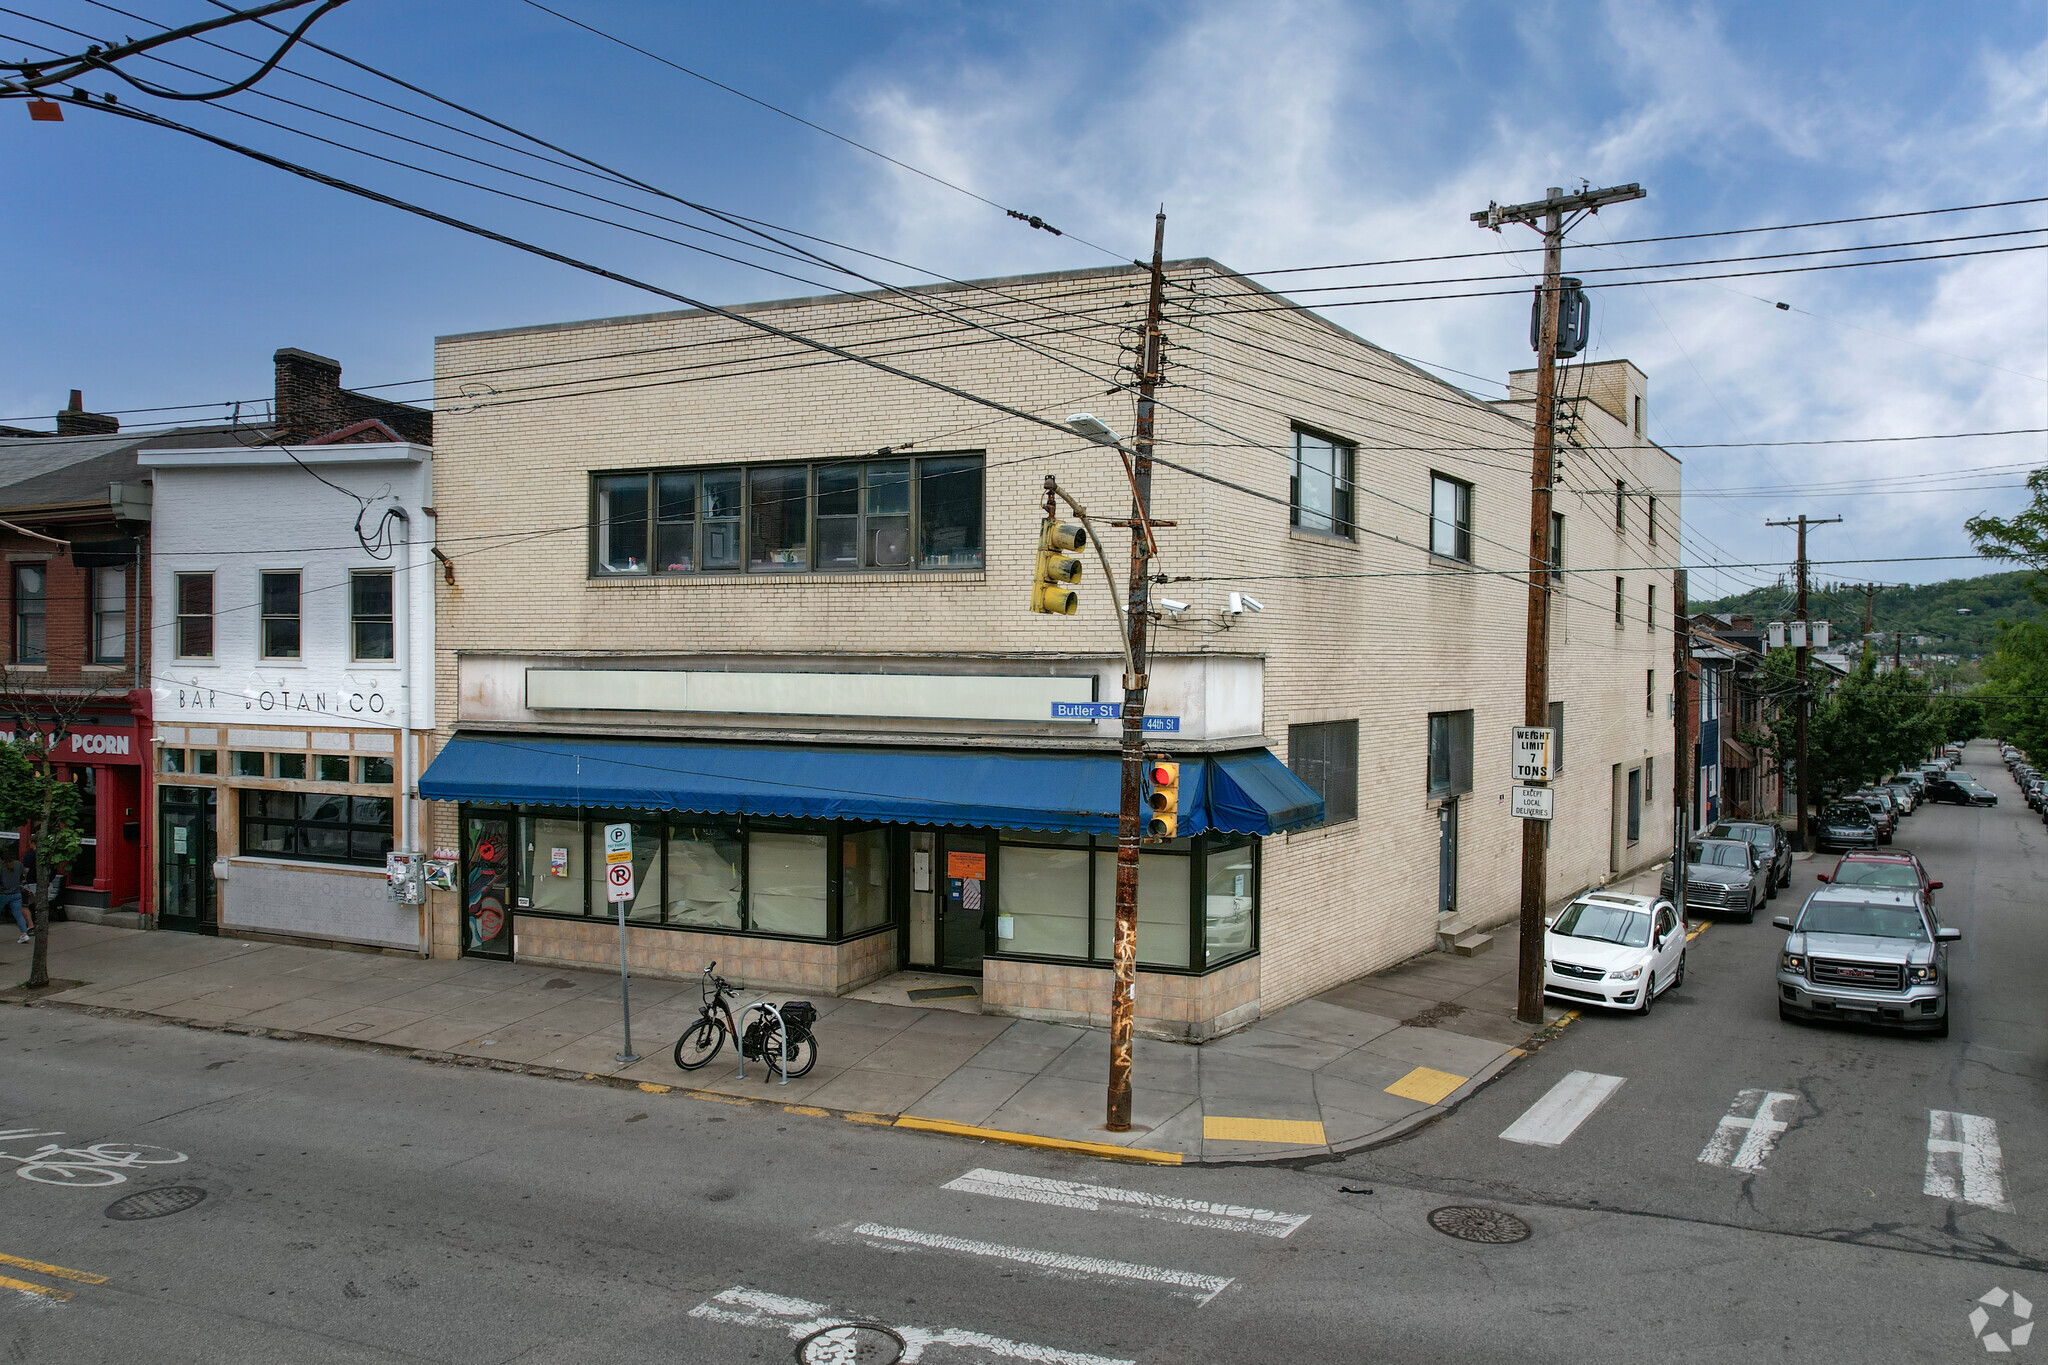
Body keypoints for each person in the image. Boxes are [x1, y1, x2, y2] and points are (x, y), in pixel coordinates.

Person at [1, 849, 28, 944]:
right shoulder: (19, 864)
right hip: (16, 893)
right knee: (18, 915)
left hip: (2, 894)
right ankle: (24, 934)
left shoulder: (1, 866)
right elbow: (23, 875)